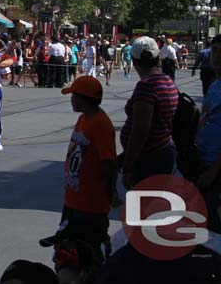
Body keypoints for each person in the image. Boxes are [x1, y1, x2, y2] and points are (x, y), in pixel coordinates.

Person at [40, 75, 118, 256]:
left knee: (86, 250)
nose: (72, 100)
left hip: (91, 204)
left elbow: (109, 163)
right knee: (65, 249)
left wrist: (111, 191)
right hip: (74, 199)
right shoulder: (84, 118)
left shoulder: (101, 125)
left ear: (85, 99)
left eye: (74, 96)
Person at [119, 36, 179, 188]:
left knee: (143, 207)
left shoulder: (146, 86)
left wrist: (128, 166)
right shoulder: (167, 81)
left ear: (134, 61)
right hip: (163, 150)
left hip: (149, 156)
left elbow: (140, 131)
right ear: (158, 57)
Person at [195, 44, 221, 232]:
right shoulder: (214, 85)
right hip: (203, 159)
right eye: (215, 52)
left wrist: (213, 170)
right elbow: (205, 116)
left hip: (216, 166)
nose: (217, 57)